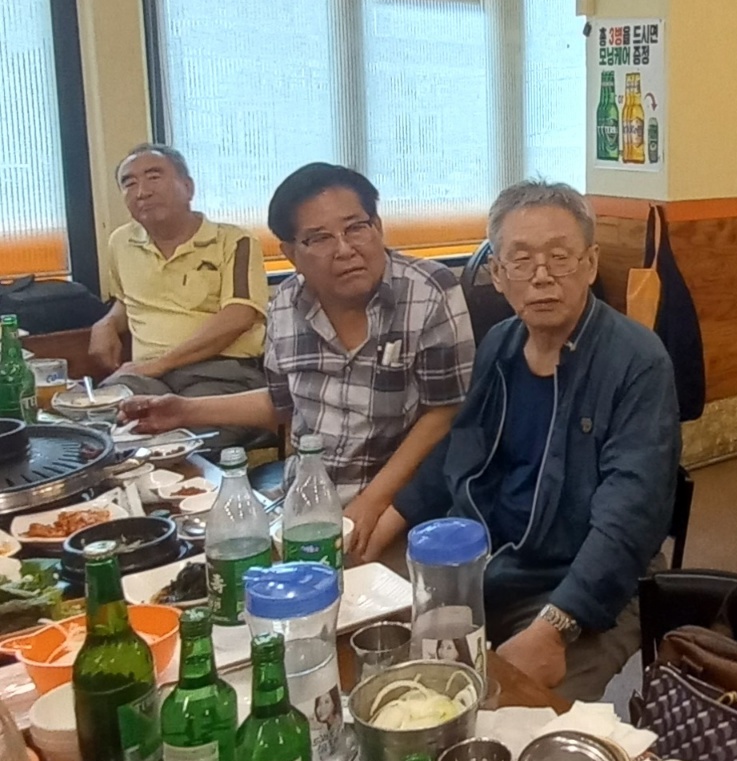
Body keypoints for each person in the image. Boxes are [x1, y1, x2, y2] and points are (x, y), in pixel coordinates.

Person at [364, 179, 681, 702]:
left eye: (560, 257)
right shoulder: (501, 344)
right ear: (497, 274)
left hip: (584, 583)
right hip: (490, 565)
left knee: (512, 713)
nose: (542, 276)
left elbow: (631, 518)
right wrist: (377, 530)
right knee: (400, 681)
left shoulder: (637, 361)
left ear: (590, 264)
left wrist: (555, 627)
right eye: (522, 259)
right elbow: (458, 451)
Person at [122, 163, 475, 558]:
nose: (345, 249)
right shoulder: (285, 307)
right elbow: (283, 403)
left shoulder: (429, 291)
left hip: (400, 507)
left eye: (356, 228)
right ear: (291, 253)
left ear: (377, 227)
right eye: (319, 238)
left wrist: (372, 502)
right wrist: (184, 412)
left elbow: (444, 413)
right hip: (304, 501)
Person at [90, 145, 268, 422]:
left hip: (219, 372)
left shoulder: (234, 241)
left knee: (191, 436)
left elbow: (239, 315)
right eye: (129, 183)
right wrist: (107, 324)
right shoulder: (120, 242)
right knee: (103, 424)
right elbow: (127, 302)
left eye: (154, 177)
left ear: (188, 187)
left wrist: (160, 364)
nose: (142, 192)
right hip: (145, 378)